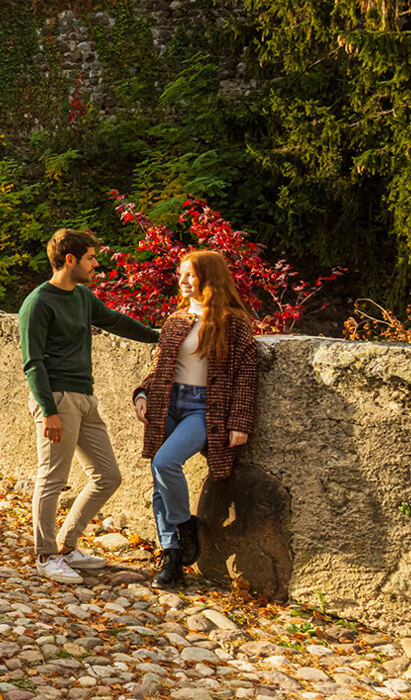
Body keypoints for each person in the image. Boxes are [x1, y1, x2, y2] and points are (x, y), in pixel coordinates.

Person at [18, 229, 161, 585]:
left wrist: (162, 335)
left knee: (108, 476)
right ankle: (45, 554)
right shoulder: (38, 303)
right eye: (91, 258)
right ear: (70, 260)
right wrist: (48, 410)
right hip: (57, 399)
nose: (97, 264)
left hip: (86, 397)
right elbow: (33, 362)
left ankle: (66, 544)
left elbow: (115, 321)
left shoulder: (82, 297)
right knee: (52, 478)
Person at [133, 249, 260, 590]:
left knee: (165, 462)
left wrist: (240, 422)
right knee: (159, 480)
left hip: (204, 409)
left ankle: (183, 524)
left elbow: (247, 376)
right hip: (168, 403)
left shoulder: (235, 324)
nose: (182, 280)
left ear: (209, 277)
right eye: (181, 274)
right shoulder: (176, 320)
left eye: (190, 274)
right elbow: (159, 364)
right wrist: (143, 393)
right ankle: (172, 557)